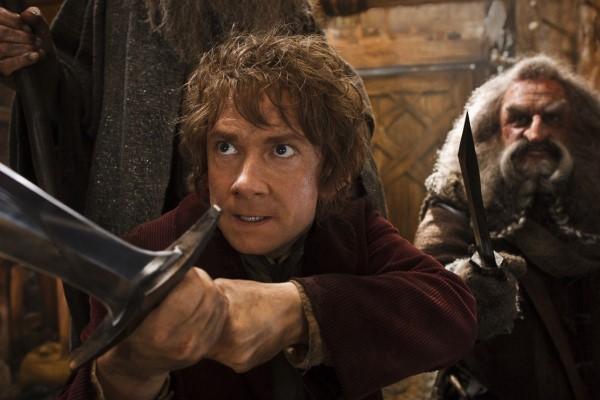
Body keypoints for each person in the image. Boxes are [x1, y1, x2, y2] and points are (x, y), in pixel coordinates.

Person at [57, 32, 477, 400]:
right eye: (226, 147)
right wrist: (128, 370)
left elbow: (452, 311)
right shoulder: (147, 250)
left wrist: (297, 309)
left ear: (331, 173)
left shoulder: (351, 228)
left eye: (281, 149)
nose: (244, 183)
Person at [0, 0, 387, 342]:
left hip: (275, 245)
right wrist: (41, 69)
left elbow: (328, 97)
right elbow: (72, 98)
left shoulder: (284, 7)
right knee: (149, 349)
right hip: (144, 222)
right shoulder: (114, 8)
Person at [414, 55, 600, 399]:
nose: (536, 133)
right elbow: (425, 285)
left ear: (575, 129)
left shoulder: (592, 195)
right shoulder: (457, 199)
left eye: (552, 118)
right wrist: (466, 283)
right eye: (519, 119)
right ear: (493, 129)